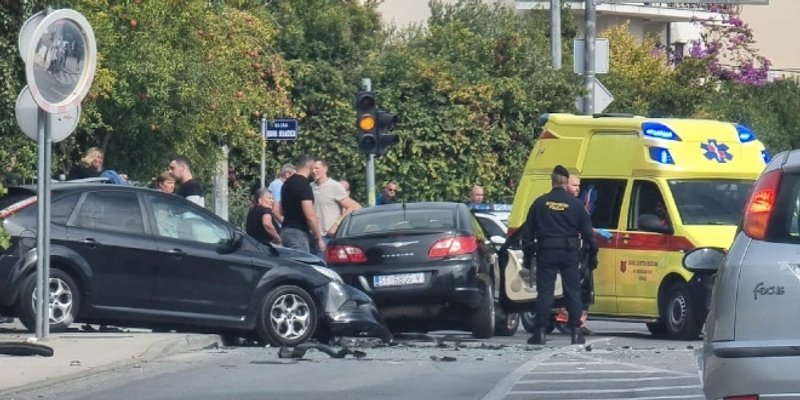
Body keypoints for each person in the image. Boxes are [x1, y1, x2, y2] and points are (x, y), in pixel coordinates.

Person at [521, 165, 596, 345]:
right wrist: (592, 256)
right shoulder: (576, 205)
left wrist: (527, 254)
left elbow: (527, 234)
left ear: (552, 181)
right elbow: (589, 235)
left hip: (546, 252)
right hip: (569, 253)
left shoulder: (540, 203)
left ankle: (540, 333)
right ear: (565, 182)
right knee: (573, 292)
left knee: (545, 292)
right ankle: (576, 333)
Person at [280, 155, 325, 254]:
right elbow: (310, 215)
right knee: (301, 265)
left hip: (285, 231)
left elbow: (281, 211)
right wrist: (319, 237)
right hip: (298, 233)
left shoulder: (286, 184)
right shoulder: (304, 185)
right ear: (311, 167)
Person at [311, 159, 361, 242]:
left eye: (317, 168)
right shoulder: (310, 186)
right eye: (312, 169)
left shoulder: (334, 186)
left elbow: (354, 206)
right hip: (312, 235)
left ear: (325, 169)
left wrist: (337, 224)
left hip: (327, 236)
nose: (313, 171)